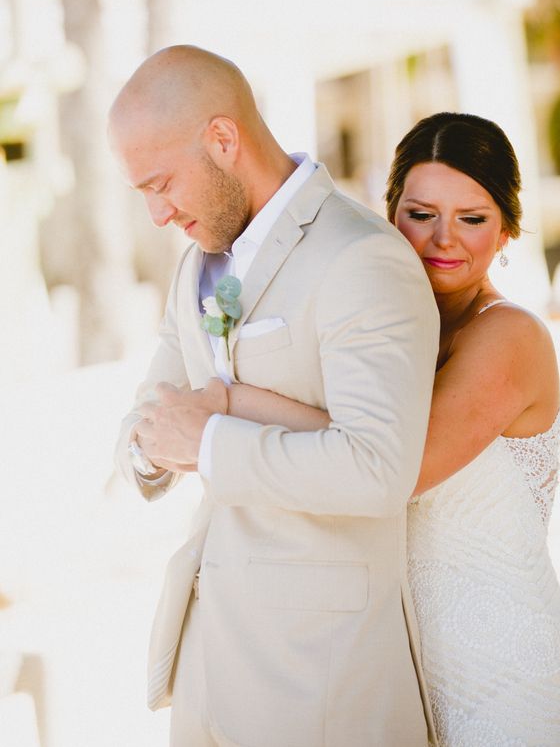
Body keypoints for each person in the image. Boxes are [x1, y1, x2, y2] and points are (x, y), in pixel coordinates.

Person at [194, 112, 560, 746]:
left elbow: (391, 464)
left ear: (508, 229)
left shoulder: (511, 338)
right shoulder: (378, 332)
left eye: (473, 218)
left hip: (511, 683)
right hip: (405, 676)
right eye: (421, 213)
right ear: (388, 213)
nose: (444, 240)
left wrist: (226, 402)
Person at [109, 45, 440, 747]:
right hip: (208, 666)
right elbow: (148, 413)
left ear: (222, 139)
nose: (159, 215)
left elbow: (379, 470)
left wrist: (208, 435)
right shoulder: (194, 268)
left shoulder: (361, 257)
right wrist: (154, 448)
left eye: (161, 184)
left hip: (321, 677)